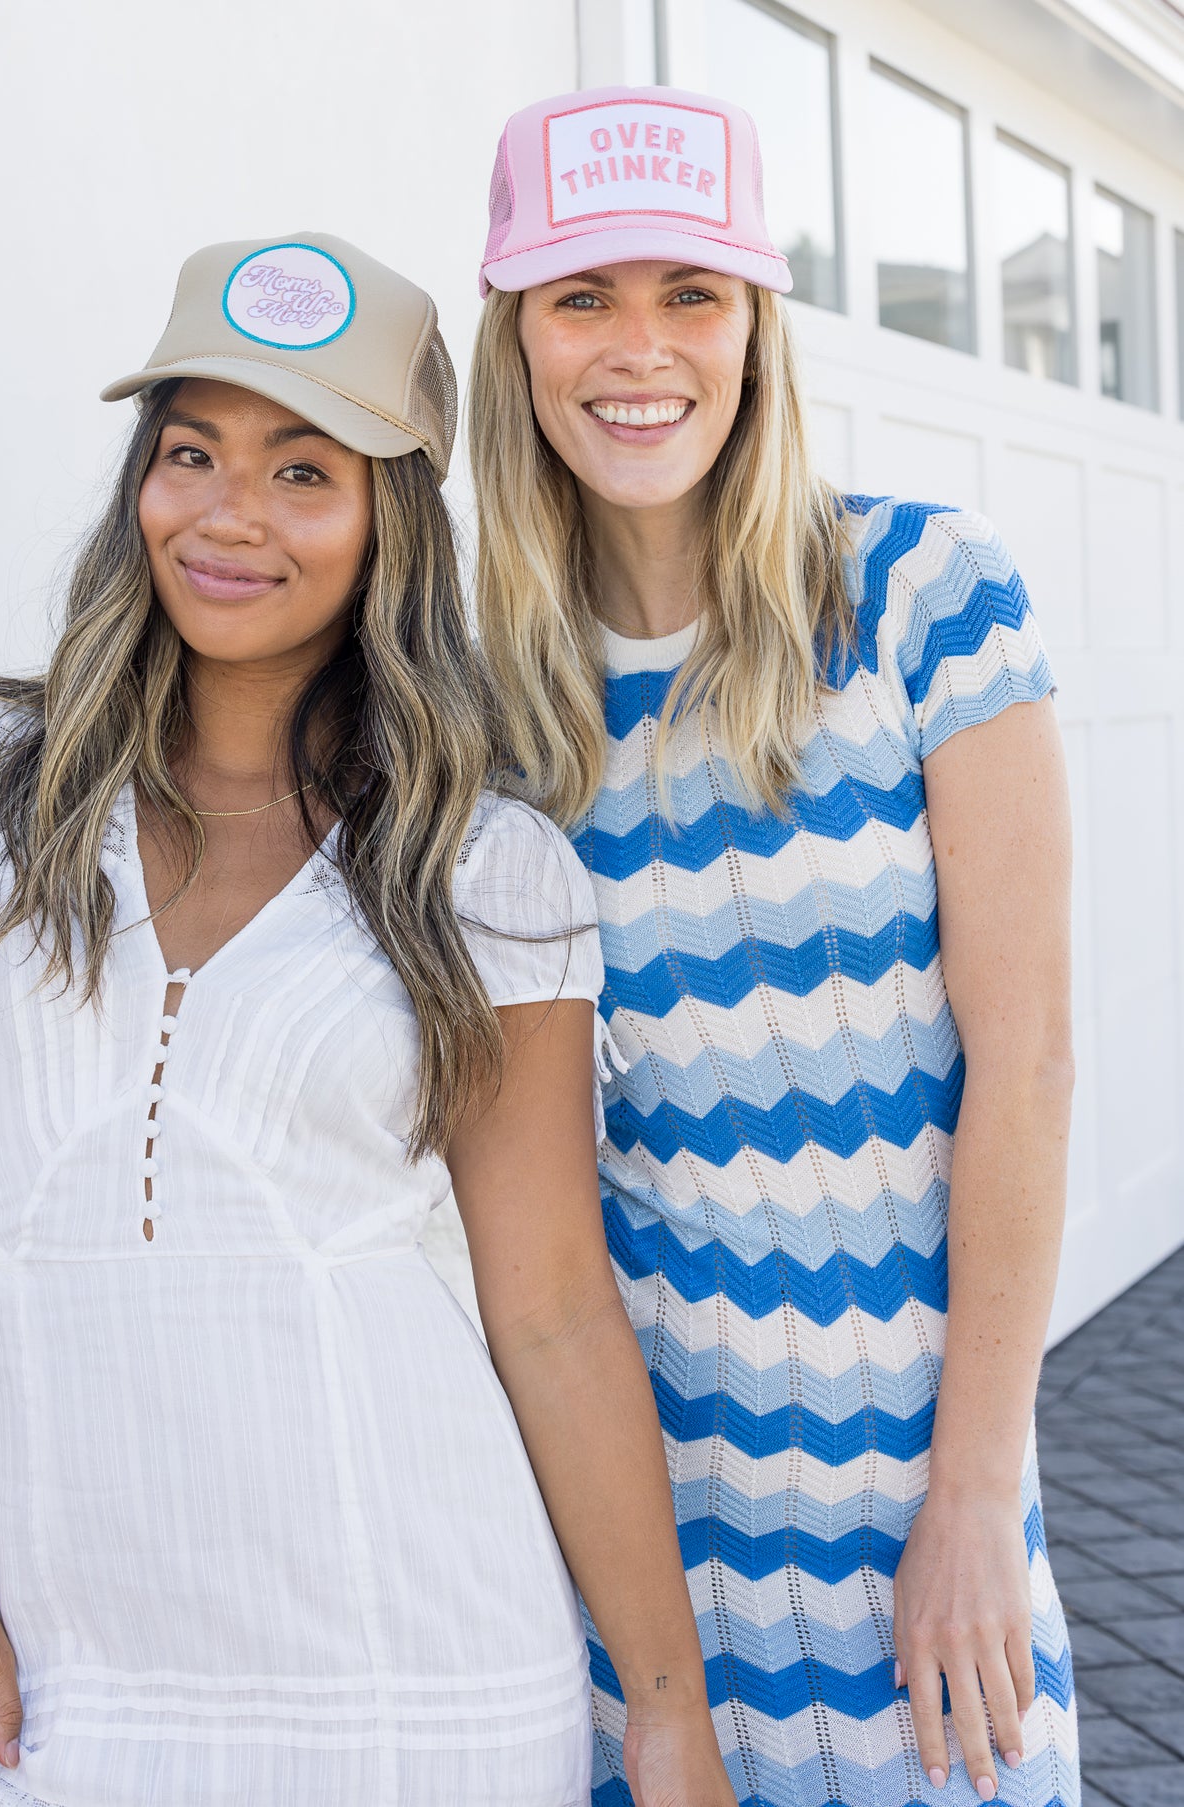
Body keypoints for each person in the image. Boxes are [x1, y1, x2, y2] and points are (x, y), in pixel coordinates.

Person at [0, 234, 736, 1807]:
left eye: (305, 471)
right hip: (52, 1685)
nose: (229, 515)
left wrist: (663, 1712)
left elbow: (553, 1313)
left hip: (419, 1690)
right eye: (191, 453)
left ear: (392, 523)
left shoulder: (489, 872)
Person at [467, 87, 1079, 1807]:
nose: (636, 348)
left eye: (690, 292)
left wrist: (975, 1486)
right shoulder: (489, 706)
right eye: (579, 296)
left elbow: (1021, 1068)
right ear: (515, 340)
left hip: (922, 1507)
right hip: (639, 1529)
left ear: (755, 326)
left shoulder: (918, 596)